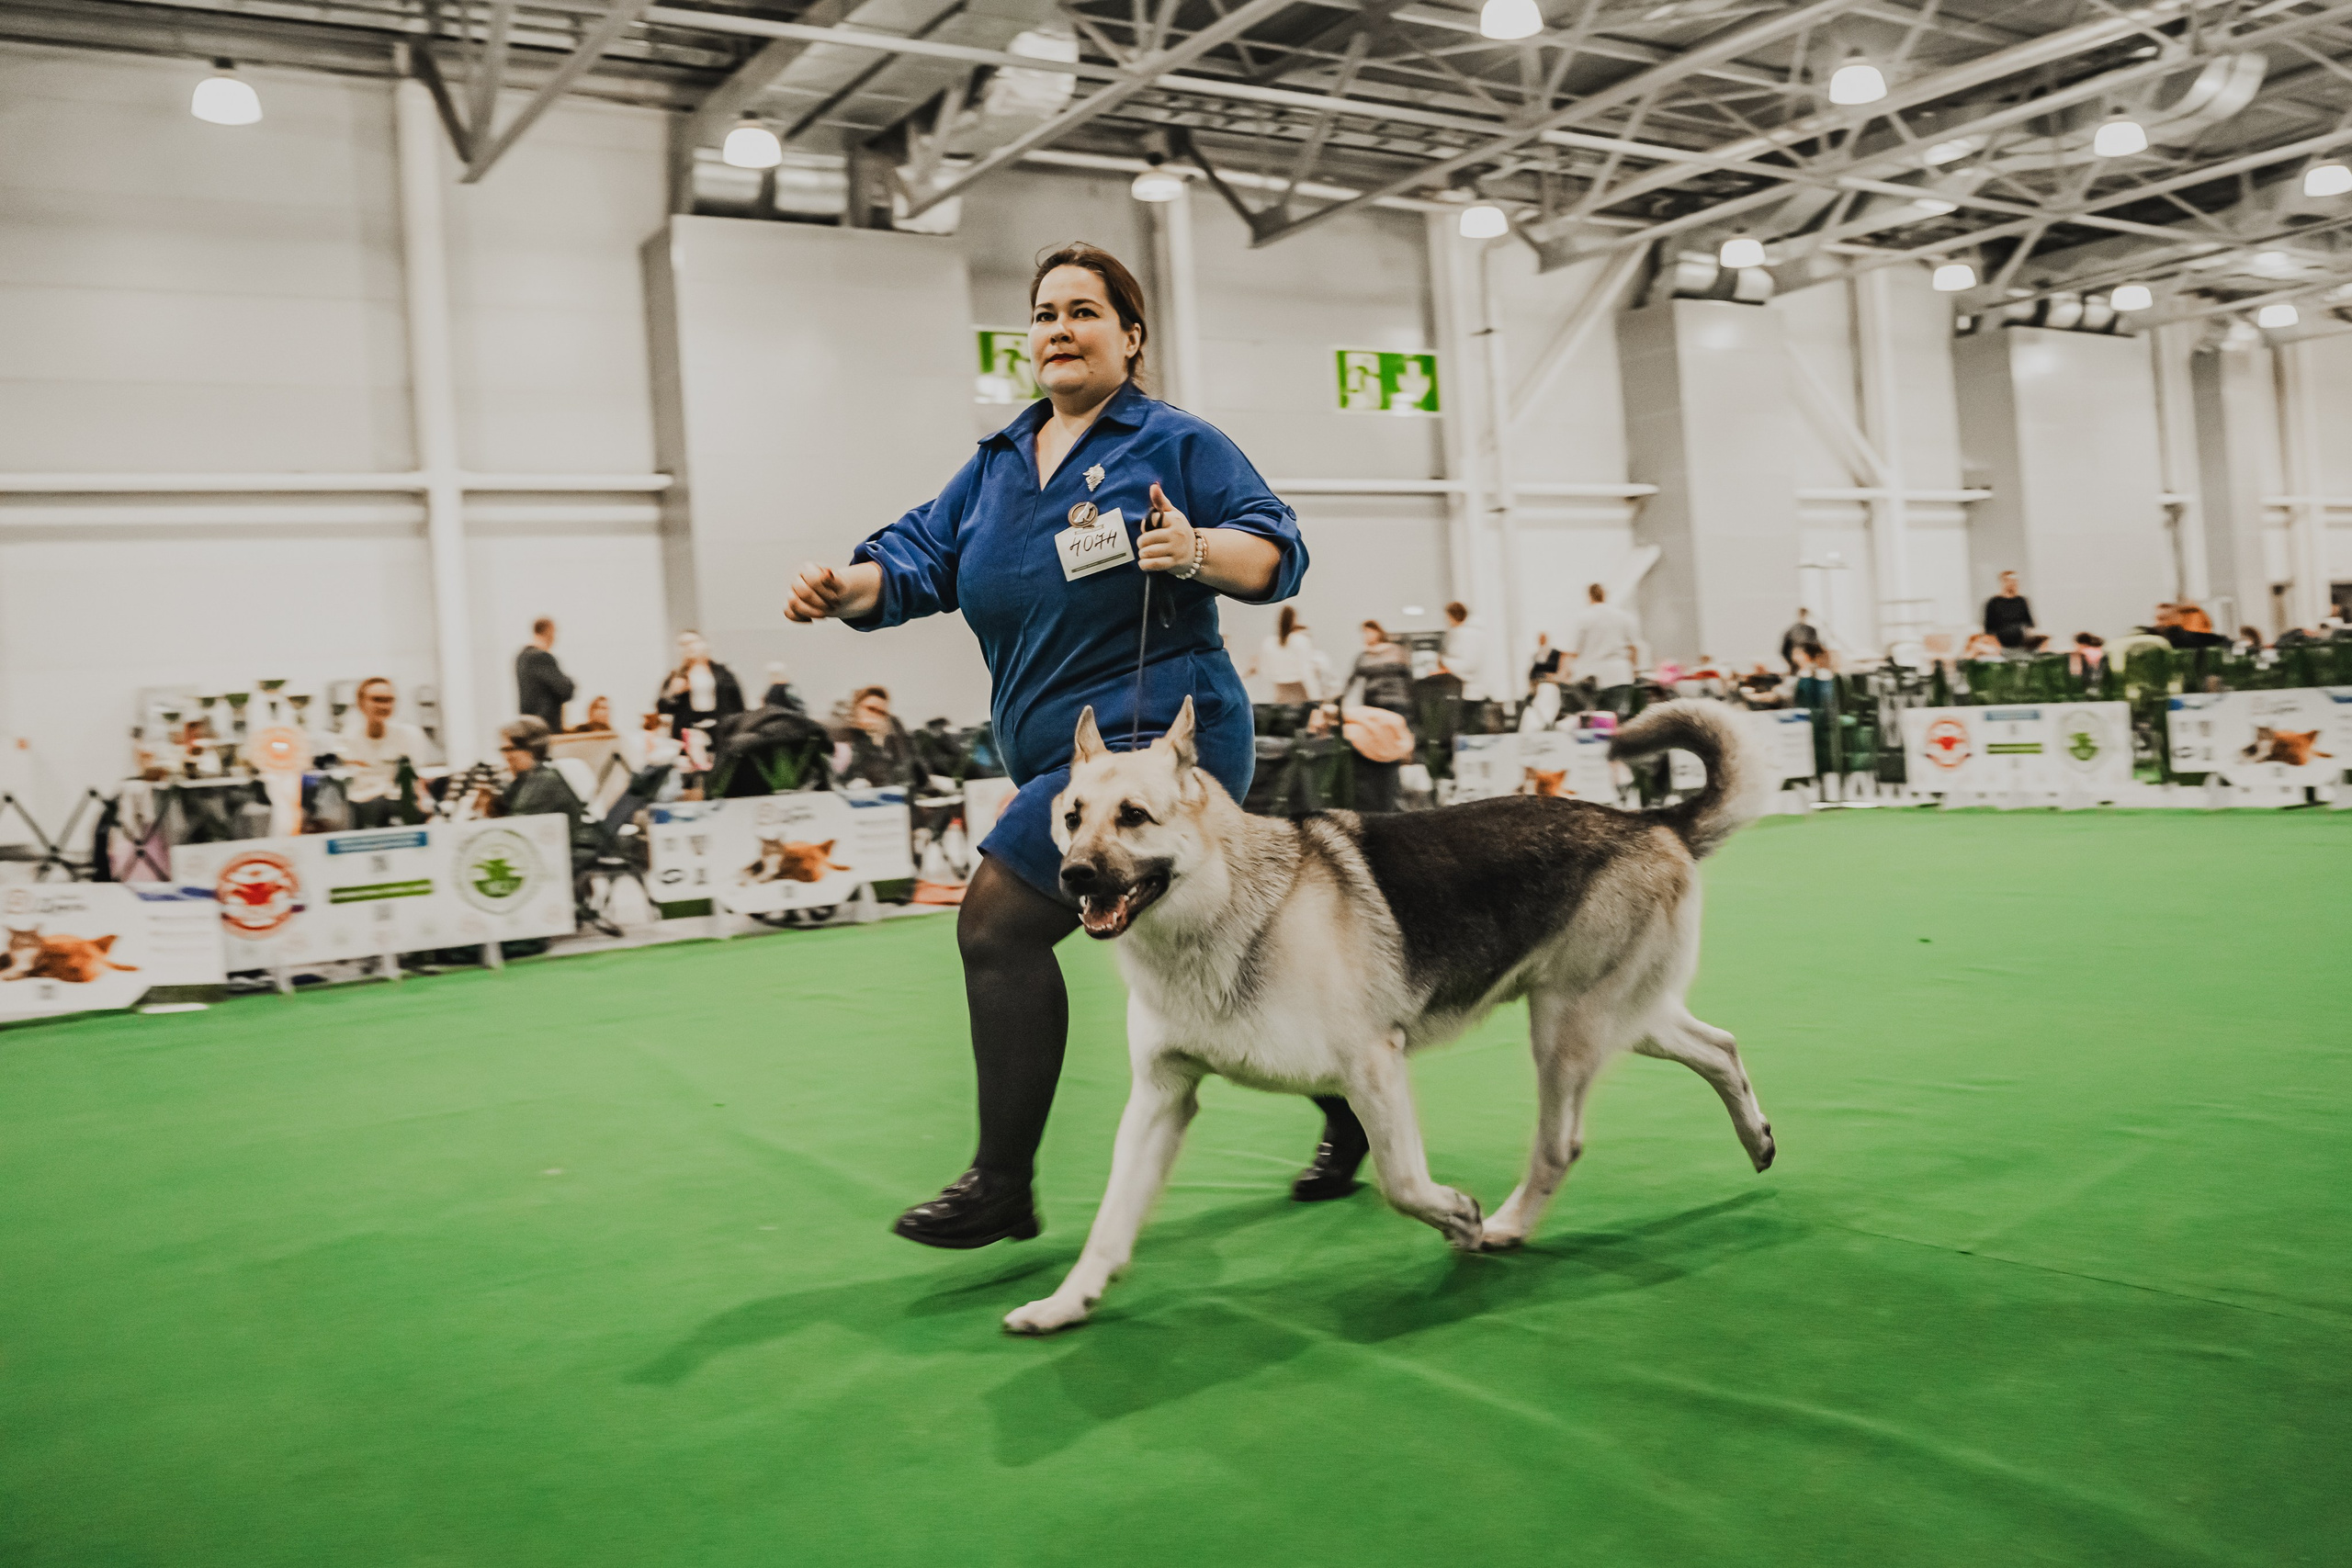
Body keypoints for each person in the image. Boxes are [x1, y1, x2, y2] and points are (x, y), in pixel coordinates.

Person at [782, 241, 1340, 1249]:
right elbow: (915, 560)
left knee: (997, 923)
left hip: (1164, 744)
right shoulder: (997, 465)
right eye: (1044, 314)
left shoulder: (1174, 442)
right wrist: (841, 588)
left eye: (1084, 311)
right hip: (1063, 760)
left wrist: (1196, 550)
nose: (1059, 329)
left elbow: (1276, 550)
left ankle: (1002, 1183)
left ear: (1130, 337)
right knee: (1232, 958)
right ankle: (1350, 1101)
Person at [492, 716, 596, 865]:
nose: (506, 756)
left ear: (530, 749)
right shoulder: (527, 778)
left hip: (572, 858)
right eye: (503, 750)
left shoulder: (544, 780)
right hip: (558, 854)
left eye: (509, 749)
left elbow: (516, 827)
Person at [334, 676, 435, 827]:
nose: (384, 706)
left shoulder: (410, 735)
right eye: (377, 699)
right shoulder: (348, 737)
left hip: (401, 807)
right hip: (361, 809)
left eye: (389, 700)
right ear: (361, 703)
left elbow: (413, 780)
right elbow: (352, 783)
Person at [655, 630, 745, 741]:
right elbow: (663, 709)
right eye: (683, 644)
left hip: (722, 728)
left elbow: (737, 702)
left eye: (693, 642)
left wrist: (739, 727)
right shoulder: (676, 676)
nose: (689, 647)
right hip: (689, 730)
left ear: (704, 644)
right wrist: (674, 693)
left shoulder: (723, 673)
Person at [1566, 583, 1638, 708]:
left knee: (1596, 716)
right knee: (1617, 716)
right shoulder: (1623, 616)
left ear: (1589, 596)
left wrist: (1567, 674)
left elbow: (1573, 651)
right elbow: (1633, 648)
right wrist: (1633, 670)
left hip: (1592, 676)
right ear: (1605, 595)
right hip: (1620, 675)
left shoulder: (1583, 618)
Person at [839, 685, 921, 789]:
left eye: (881, 713)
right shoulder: (842, 735)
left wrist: (879, 744)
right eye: (871, 709)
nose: (875, 715)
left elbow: (907, 772)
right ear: (857, 708)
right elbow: (840, 776)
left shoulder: (893, 735)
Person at [1250, 605, 1321, 703]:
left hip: (1278, 693)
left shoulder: (1268, 642)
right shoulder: (1301, 641)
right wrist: (1316, 699)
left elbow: (1264, 670)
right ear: (1294, 620)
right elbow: (1307, 671)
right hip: (1299, 693)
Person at [1345, 620, 1415, 716]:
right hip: (1373, 702)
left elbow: (1408, 678)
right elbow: (1351, 680)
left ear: (1378, 632)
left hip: (1396, 701)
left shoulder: (1395, 652)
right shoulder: (1363, 657)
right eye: (1365, 633)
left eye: (1369, 632)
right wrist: (1340, 700)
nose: (1367, 636)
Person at [515, 617, 574, 731]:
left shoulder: (521, 657)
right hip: (545, 727)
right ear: (549, 631)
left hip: (528, 726)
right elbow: (565, 689)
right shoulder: (542, 657)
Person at [1440, 601, 1493, 700]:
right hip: (1480, 689)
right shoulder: (1477, 632)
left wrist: (1444, 662)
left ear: (1452, 616)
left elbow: (1468, 664)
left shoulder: (1464, 634)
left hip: (1471, 691)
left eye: (1447, 618)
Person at [1984, 570, 2034, 649]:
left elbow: (2029, 623)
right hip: (2000, 641)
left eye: (2015, 581)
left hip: (2020, 641)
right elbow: (1989, 628)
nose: (2012, 583)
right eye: (2009, 581)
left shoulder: (2021, 601)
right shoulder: (1993, 602)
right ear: (2003, 582)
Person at [1780, 608, 1823, 673]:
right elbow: (1784, 650)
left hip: (1809, 659)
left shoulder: (1811, 630)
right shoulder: (1792, 630)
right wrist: (1791, 663)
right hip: (1796, 660)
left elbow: (1816, 648)